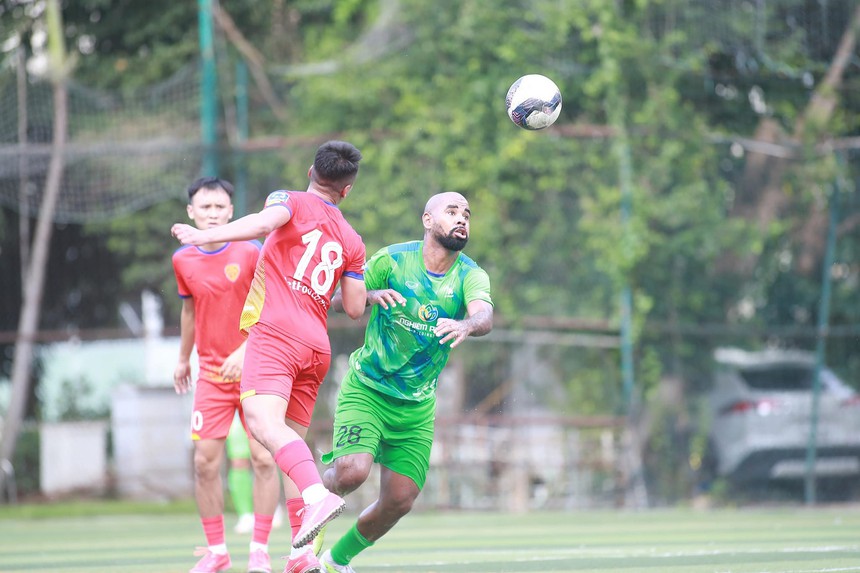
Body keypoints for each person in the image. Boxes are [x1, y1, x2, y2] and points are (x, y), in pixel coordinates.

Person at [171, 141, 368, 573]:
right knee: (288, 447)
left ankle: (317, 498)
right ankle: (302, 555)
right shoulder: (353, 240)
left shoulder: (288, 199)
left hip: (275, 335)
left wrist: (205, 235)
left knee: (263, 427)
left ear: (310, 172)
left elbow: (263, 224)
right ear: (347, 191)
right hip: (316, 347)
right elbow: (355, 307)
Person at [318, 191, 494, 573]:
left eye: (467, 213)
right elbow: (336, 301)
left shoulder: (470, 274)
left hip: (415, 407)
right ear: (428, 220)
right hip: (367, 389)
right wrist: (367, 295)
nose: (462, 218)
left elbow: (484, 315)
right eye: (451, 211)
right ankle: (316, 493)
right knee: (351, 473)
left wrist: (466, 323)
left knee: (399, 501)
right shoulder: (392, 260)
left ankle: (335, 561)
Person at [171, 176, 282, 573]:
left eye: (220, 207)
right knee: (204, 462)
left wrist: (245, 349)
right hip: (212, 375)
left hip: (257, 369)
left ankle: (259, 551)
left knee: (263, 459)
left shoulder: (251, 252)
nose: (213, 213)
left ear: (232, 211)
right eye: (206, 207)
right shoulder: (182, 259)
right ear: (192, 212)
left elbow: (271, 309)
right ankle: (216, 552)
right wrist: (184, 358)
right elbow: (189, 311)